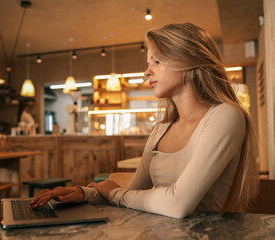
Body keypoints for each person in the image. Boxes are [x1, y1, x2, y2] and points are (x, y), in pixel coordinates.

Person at [30, 23, 259, 218]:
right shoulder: (161, 130)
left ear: (187, 60)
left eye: (156, 61)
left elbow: (176, 204)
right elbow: (132, 194)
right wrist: (85, 192)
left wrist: (115, 194)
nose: (146, 72)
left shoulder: (225, 116)